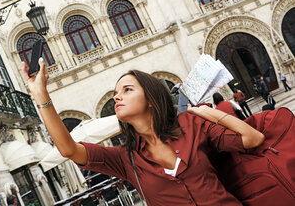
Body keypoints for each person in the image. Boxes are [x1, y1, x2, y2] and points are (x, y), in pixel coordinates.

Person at [22, 59, 265, 206]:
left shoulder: (192, 125)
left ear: (151, 99)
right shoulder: (125, 159)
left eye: (127, 90)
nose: (117, 96)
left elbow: (252, 138)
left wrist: (206, 113)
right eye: (117, 92)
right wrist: (41, 95)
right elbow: (68, 149)